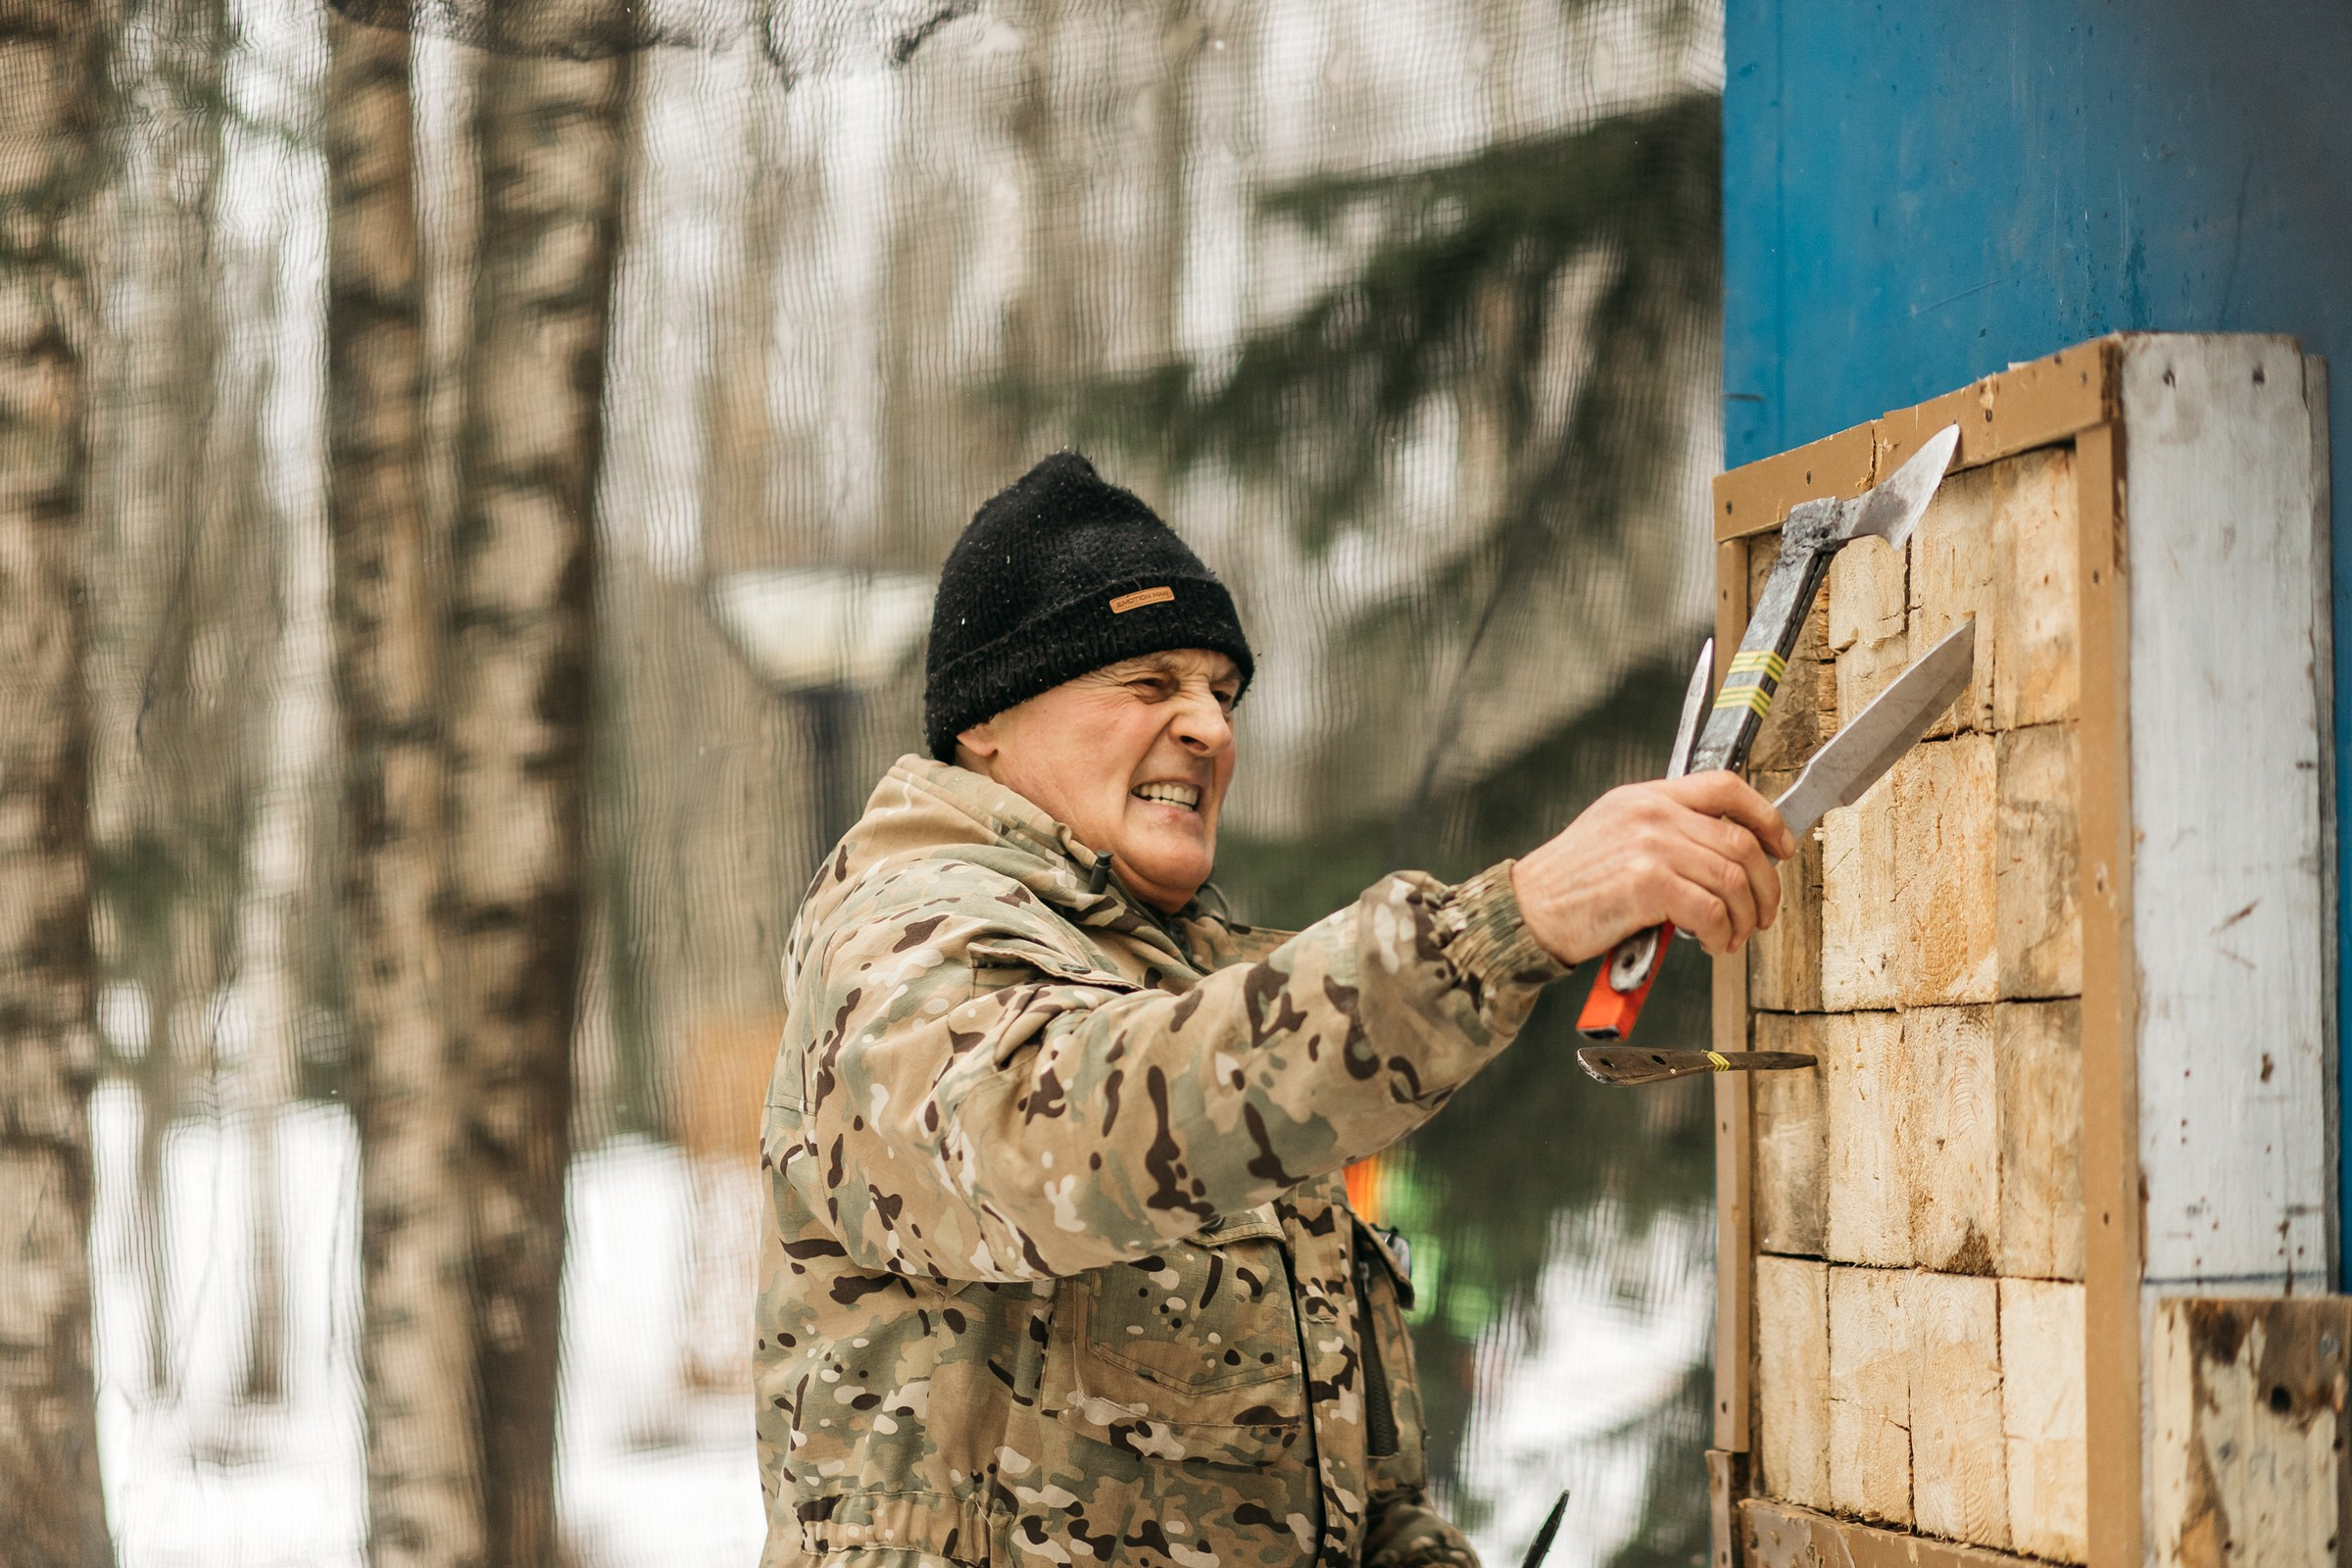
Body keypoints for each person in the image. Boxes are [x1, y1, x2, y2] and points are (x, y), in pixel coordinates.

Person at [754, 453, 1792, 1568]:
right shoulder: (903, 941)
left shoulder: (1199, 990)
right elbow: (1064, 1129)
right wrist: (1513, 919)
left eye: (1222, 692)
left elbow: (1323, 1495)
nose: (1210, 727)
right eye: (1150, 684)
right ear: (990, 720)